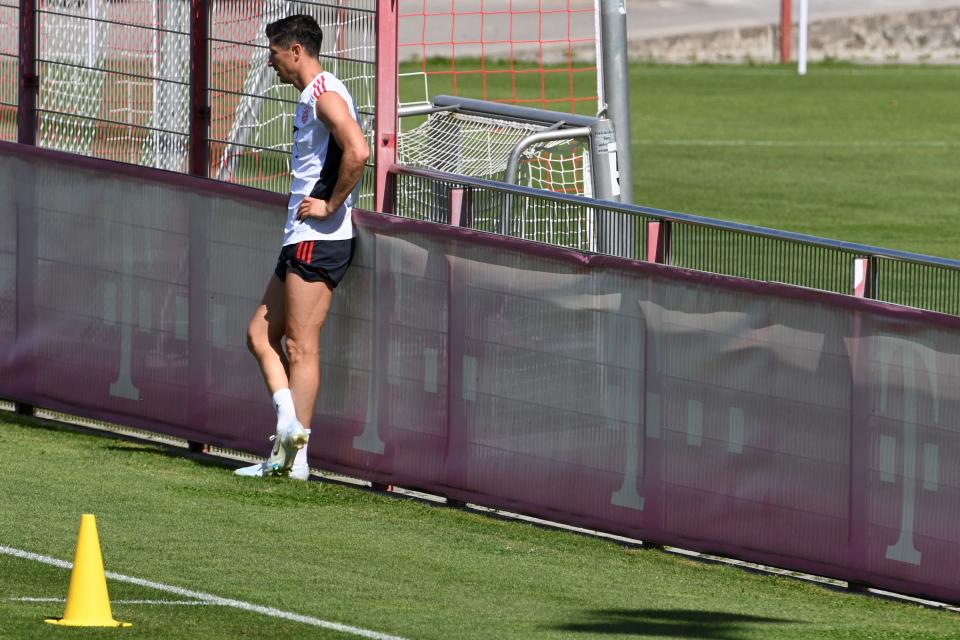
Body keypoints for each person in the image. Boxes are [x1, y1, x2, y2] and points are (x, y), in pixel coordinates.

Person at [235, 14, 369, 480]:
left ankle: (297, 460)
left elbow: (358, 150)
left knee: (300, 346)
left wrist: (331, 204)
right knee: (259, 336)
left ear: (295, 51)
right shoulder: (310, 97)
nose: (269, 62)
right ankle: (288, 433)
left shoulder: (324, 92)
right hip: (301, 238)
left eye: (273, 53)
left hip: (320, 239)